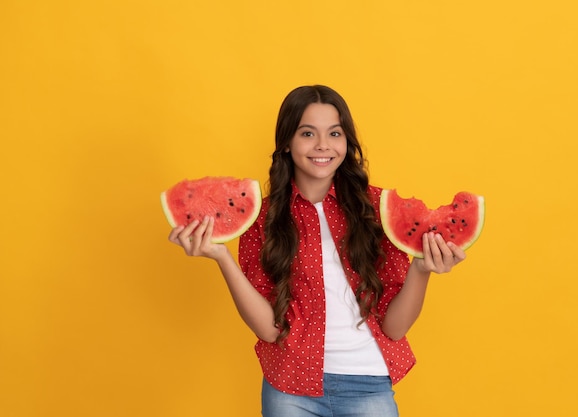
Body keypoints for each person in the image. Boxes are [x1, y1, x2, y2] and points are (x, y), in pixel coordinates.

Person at [168, 85, 466, 417]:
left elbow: (395, 328)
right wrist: (221, 257)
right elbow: (268, 329)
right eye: (308, 133)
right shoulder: (260, 219)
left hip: (368, 383)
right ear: (286, 143)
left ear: (346, 142)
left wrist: (421, 269)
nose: (323, 145)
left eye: (334, 133)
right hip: (290, 389)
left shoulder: (378, 209)